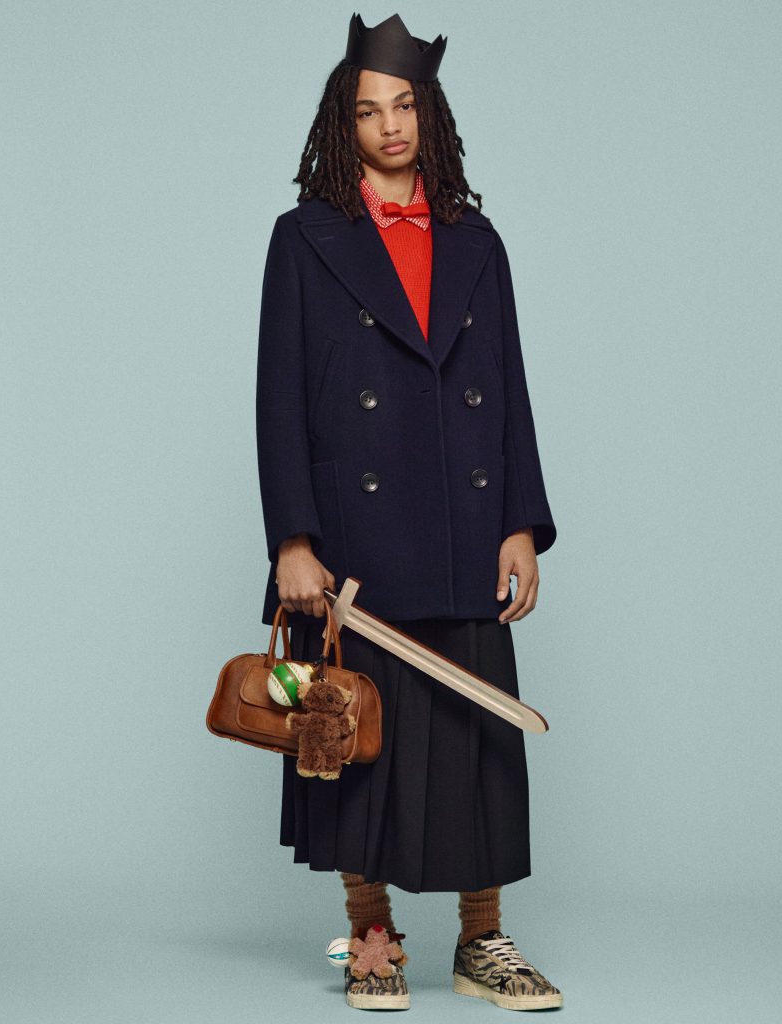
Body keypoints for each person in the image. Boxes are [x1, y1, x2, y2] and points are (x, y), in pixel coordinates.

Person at [255, 12, 563, 1012]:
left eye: (405, 106)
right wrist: (292, 539)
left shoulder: (478, 241)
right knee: (355, 736)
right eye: (368, 110)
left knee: (479, 744)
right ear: (342, 125)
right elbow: (277, 395)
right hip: (354, 544)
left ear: (429, 115)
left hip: (467, 529)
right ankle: (371, 936)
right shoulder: (305, 239)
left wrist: (519, 522)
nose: (390, 126)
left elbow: (507, 387)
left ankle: (483, 941)